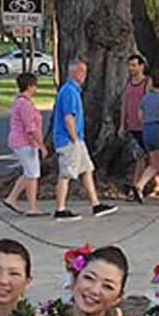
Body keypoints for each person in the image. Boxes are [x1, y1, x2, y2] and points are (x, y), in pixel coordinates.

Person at [51, 59, 117, 221]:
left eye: (85, 72)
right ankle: (60, 209)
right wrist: (74, 139)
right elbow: (69, 118)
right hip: (69, 140)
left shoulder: (74, 91)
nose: (84, 75)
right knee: (66, 173)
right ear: (73, 72)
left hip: (77, 139)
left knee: (87, 170)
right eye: (81, 71)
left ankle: (95, 204)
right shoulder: (69, 91)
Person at [3, 72, 45, 216]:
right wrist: (41, 145)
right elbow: (30, 128)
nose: (36, 89)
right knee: (31, 173)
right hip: (24, 142)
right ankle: (14, 198)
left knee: (32, 174)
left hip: (26, 142)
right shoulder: (24, 104)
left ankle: (30, 205)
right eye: (35, 86)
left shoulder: (22, 102)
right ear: (29, 86)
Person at [132, 71, 159, 204]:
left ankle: (139, 185)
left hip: (148, 130)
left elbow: (140, 116)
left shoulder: (145, 98)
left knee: (154, 164)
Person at [120, 53, 151, 197]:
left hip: (145, 126)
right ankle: (137, 186)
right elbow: (124, 104)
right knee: (140, 157)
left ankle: (140, 185)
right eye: (129, 65)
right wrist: (122, 124)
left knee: (149, 158)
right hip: (132, 126)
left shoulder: (147, 82)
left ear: (141, 66)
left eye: (134, 65)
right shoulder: (128, 83)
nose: (131, 68)